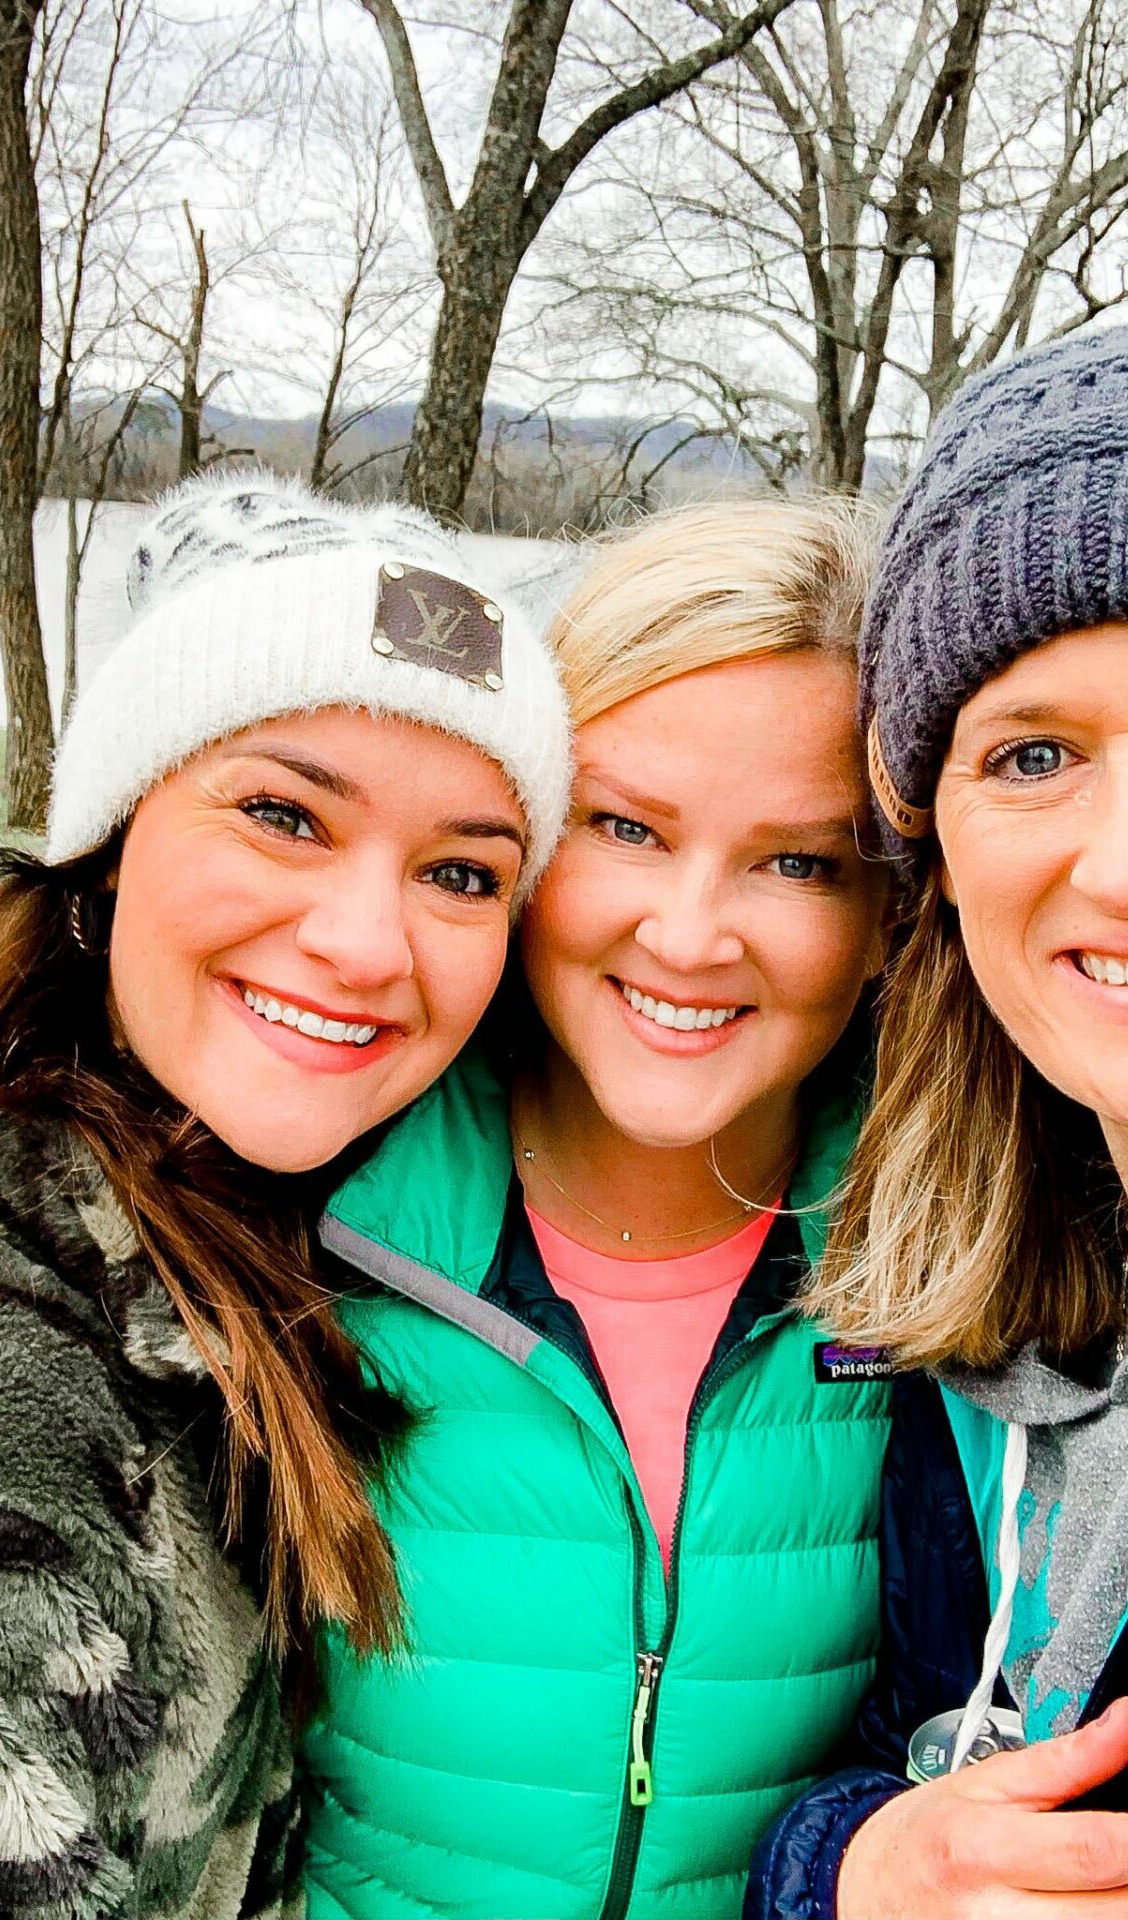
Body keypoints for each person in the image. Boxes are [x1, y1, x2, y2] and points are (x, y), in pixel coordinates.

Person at [747, 296, 1128, 1920]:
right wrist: (853, 1872)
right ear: (927, 844)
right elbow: (922, 1764)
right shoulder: (969, 1286)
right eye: (1031, 756)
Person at [0, 472, 570, 1920]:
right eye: (283, 813)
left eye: (462, 871)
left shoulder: (240, 1240)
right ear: (109, 840)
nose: (365, 943)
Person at [297, 499, 894, 1920]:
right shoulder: (305, 1211)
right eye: (627, 827)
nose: (690, 935)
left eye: (799, 861)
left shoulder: (974, 1272)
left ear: (891, 913)